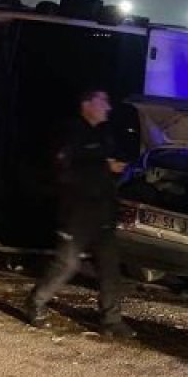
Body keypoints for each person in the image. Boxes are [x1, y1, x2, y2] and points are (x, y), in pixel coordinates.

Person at [25, 89, 135, 339]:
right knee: (67, 264)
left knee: (109, 268)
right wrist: (102, 164)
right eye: (102, 101)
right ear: (87, 104)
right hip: (77, 213)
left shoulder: (104, 135)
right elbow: (65, 165)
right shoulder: (71, 131)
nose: (107, 106)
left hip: (103, 213)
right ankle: (35, 302)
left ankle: (111, 321)